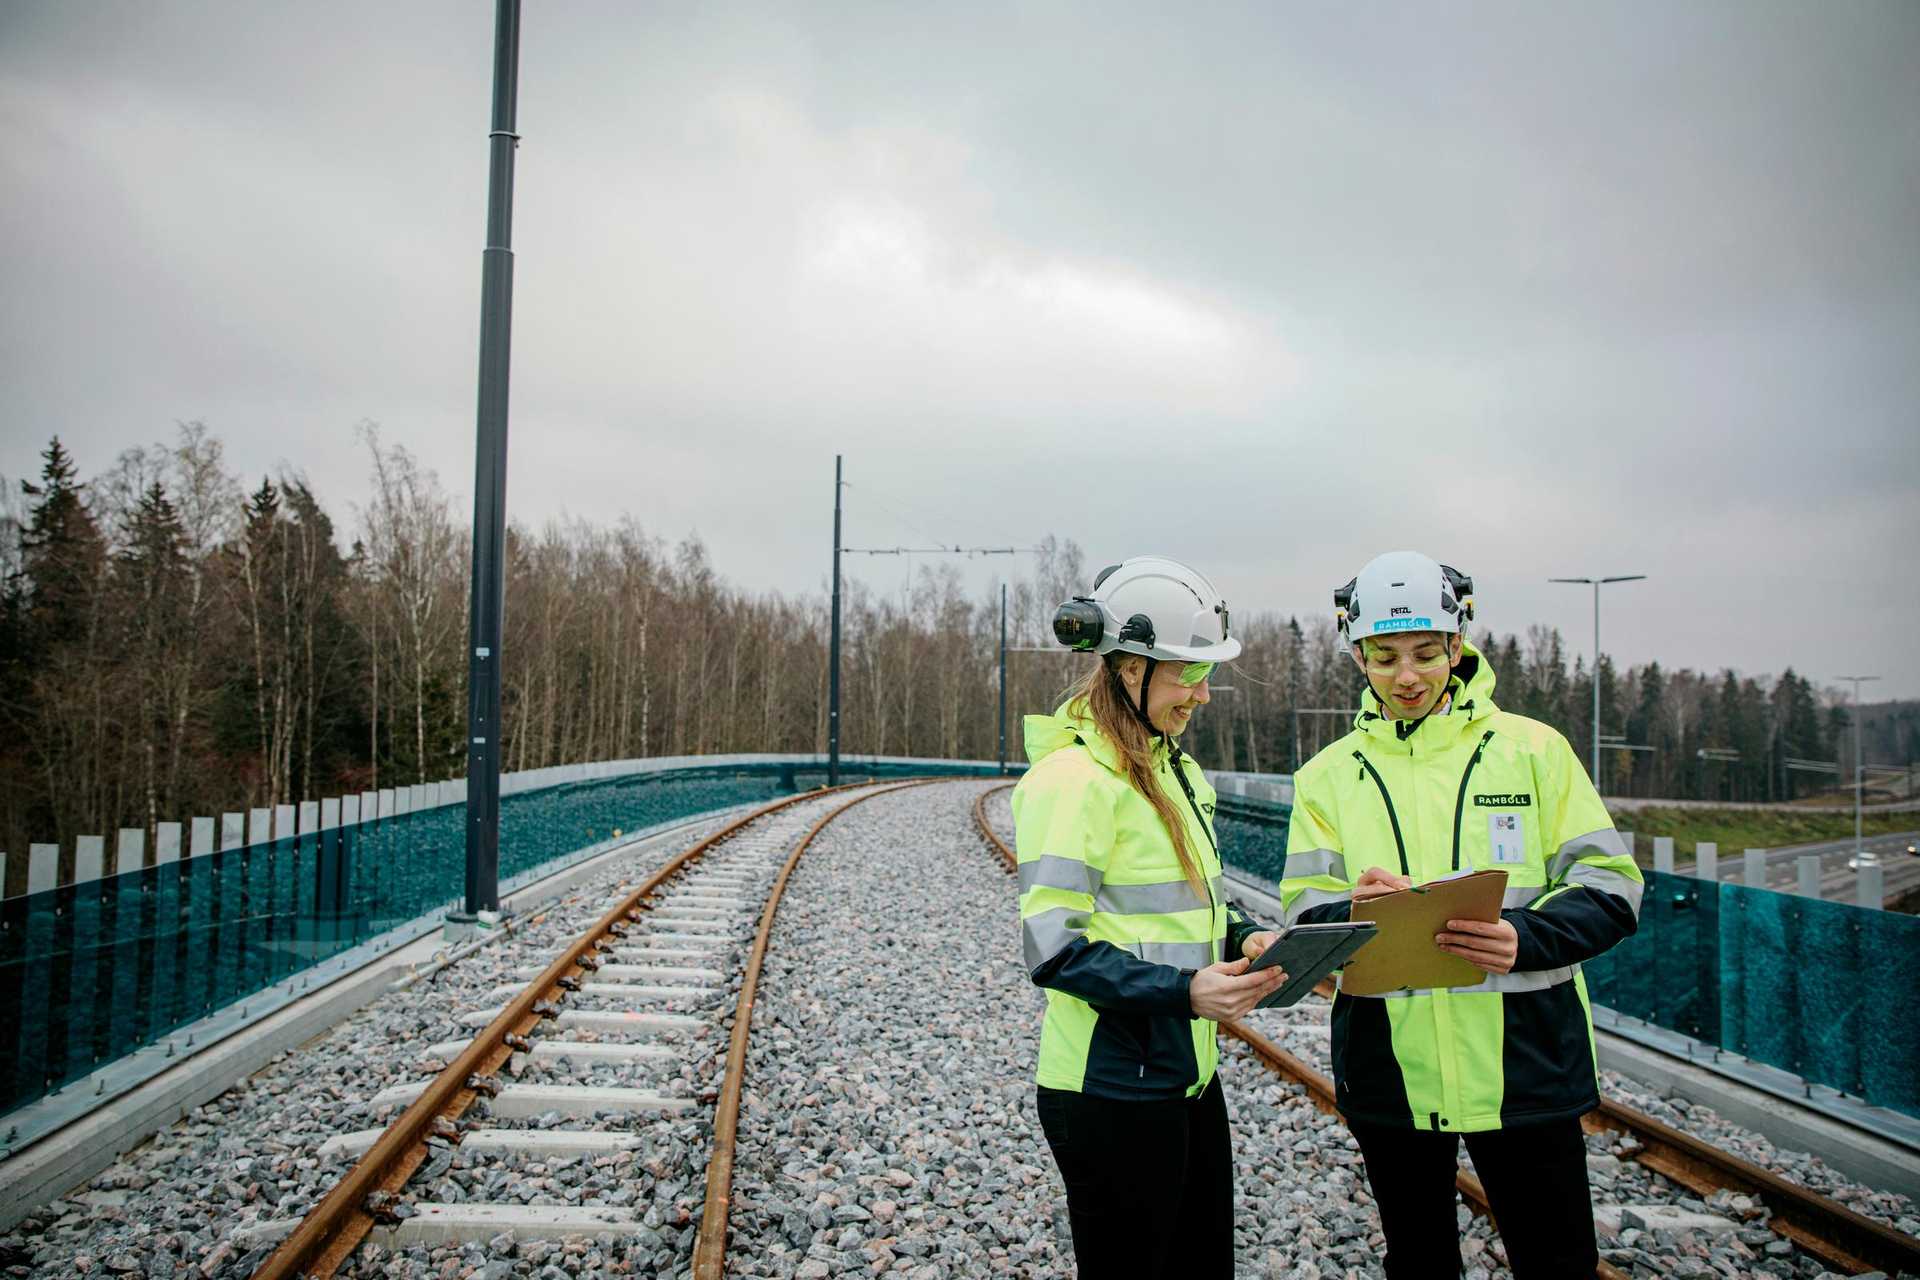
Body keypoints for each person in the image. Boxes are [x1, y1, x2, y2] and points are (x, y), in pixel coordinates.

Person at [1279, 551, 1644, 1278]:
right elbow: (1300, 915)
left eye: (1423, 653)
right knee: (1419, 1262)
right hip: (1391, 1065)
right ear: (1357, 654)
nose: (1405, 676)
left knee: (1558, 1261)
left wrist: (1525, 938)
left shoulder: (1534, 752)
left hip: (1526, 1063)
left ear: (1457, 643)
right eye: (1383, 658)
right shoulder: (1326, 778)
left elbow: (1611, 885)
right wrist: (1354, 909)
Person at [1014, 555, 1287, 1277]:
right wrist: (1188, 993)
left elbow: (1176, 912)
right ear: (1128, 668)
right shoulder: (1072, 783)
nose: (1201, 695)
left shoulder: (1174, 770)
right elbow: (1053, 952)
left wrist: (1240, 937)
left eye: (1206, 676)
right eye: (1188, 675)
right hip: (1108, 1092)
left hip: (1186, 1077)